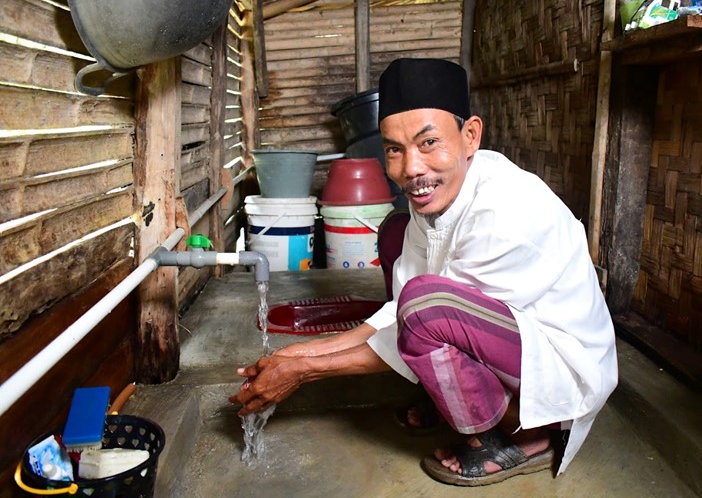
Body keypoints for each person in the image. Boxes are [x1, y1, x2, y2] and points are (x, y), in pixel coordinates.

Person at [229, 58, 618, 486]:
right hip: (493, 336)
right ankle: (458, 393)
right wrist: (294, 355)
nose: (411, 168)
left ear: (471, 135)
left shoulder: (507, 209)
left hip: (560, 369)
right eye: (394, 149)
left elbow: (422, 318)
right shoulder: (439, 198)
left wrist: (306, 371)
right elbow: (397, 315)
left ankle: (529, 436)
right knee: (395, 233)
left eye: (429, 142)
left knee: (427, 305)